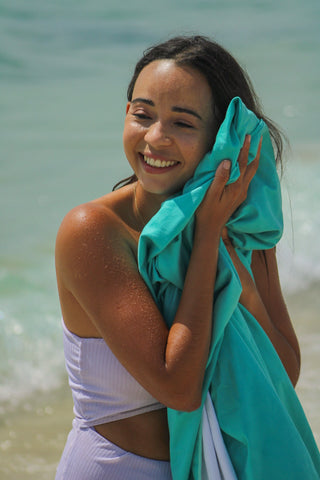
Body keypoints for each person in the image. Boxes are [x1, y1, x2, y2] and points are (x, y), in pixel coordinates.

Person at [54, 35, 304, 479]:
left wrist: (241, 287)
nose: (155, 137)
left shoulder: (241, 228)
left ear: (220, 137)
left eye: (183, 123)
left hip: (210, 467)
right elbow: (179, 387)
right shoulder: (93, 231)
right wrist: (205, 240)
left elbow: (282, 373)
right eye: (142, 114)